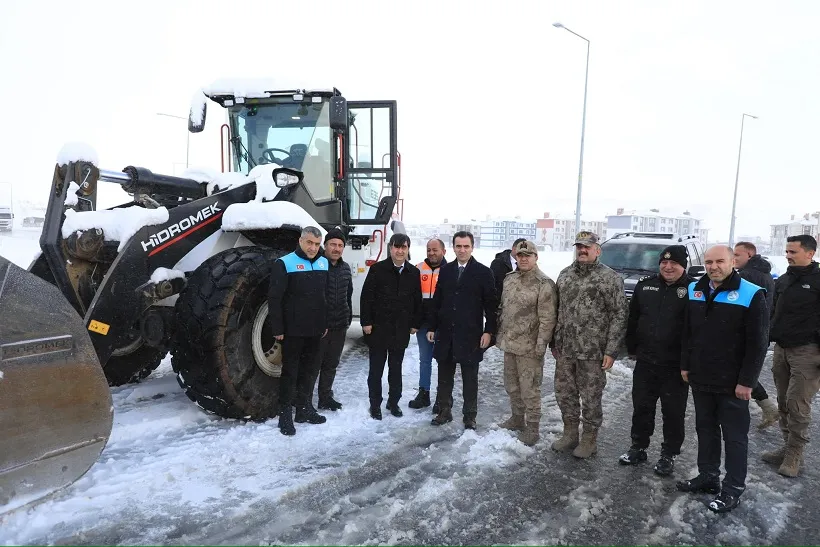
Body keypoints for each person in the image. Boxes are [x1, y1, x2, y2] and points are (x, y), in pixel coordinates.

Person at [677, 245, 768, 513]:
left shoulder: (751, 294)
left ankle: (733, 489)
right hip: (702, 376)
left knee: (734, 436)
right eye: (708, 261)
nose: (713, 266)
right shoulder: (696, 290)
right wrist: (685, 365)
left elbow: (758, 343)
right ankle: (708, 476)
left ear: (732, 262)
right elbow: (688, 333)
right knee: (705, 430)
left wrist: (747, 381)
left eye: (719, 261)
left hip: (733, 382)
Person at [550, 231, 628, 459]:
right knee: (565, 394)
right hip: (565, 350)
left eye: (588, 246)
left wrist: (611, 350)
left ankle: (589, 440)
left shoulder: (610, 278)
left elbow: (619, 315)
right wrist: (554, 342)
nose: (583, 250)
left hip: (593, 352)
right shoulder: (565, 275)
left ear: (597, 250)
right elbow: (558, 311)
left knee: (591, 397)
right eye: (579, 246)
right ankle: (570, 433)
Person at [619, 245, 693, 476]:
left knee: (673, 412)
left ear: (684, 266)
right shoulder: (645, 285)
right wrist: (632, 348)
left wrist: (690, 362)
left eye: (674, 264)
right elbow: (633, 319)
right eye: (664, 263)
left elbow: (698, 329)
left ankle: (668, 454)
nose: (668, 267)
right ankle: (638, 447)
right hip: (647, 361)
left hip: (676, 366)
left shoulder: (695, 289)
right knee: (642, 407)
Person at [762, 235, 820, 477]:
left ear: (810, 253)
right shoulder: (784, 279)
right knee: (784, 401)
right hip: (782, 348)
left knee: (798, 404)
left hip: (808, 351)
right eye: (786, 251)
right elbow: (774, 311)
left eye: (793, 252)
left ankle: (795, 453)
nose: (787, 255)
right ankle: (786, 445)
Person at [428, 231, 498, 430]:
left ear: (472, 247)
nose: (462, 250)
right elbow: (437, 301)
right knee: (444, 376)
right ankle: (444, 411)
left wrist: (489, 332)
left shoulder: (484, 273)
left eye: (466, 246)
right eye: (458, 246)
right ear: (453, 248)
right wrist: (432, 326)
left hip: (470, 334)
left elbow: (491, 306)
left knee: (470, 378)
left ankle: (469, 416)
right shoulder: (446, 270)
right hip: (446, 333)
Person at [268, 226, 329, 436]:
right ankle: (285, 415)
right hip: (292, 330)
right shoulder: (284, 263)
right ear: (301, 241)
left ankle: (304, 409)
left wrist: (325, 323)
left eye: (317, 244)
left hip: (316, 329)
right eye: (309, 243)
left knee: (309, 370)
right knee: (290, 372)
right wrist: (278, 328)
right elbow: (275, 299)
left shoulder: (323, 262)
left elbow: (324, 297)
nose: (313, 248)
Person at [496, 240, 557, 446]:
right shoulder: (509, 279)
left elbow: (547, 319)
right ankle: (516, 419)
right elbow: (504, 309)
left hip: (530, 348)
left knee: (530, 390)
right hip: (510, 343)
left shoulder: (544, 284)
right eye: (520, 255)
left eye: (527, 255)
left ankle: (532, 428)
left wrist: (541, 346)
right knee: (511, 386)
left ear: (535, 257)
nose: (523, 259)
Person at [360, 233, 422, 420]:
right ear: (390, 248)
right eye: (396, 247)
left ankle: (393, 402)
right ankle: (375, 404)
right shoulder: (378, 270)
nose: (400, 251)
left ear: (408, 249)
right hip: (378, 329)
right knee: (376, 370)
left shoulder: (413, 272)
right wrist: (366, 322)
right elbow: (366, 297)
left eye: (404, 247)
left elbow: (416, 301)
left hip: (400, 330)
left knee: (396, 370)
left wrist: (414, 324)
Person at [734, 241, 779, 428]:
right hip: (760, 331)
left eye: (738, 255)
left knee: (740, 372)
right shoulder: (765, 274)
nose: (734, 258)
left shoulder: (748, 276)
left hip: (748, 333)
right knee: (743, 371)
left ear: (750, 255)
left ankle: (768, 408)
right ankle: (768, 408)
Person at [310, 228, 353, 411]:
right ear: (325, 246)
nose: (336, 248)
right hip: (320, 327)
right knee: (313, 365)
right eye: (333, 244)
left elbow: (348, 294)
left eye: (340, 245)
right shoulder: (316, 265)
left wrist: (348, 316)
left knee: (331, 364)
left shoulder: (345, 268)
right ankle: (304, 402)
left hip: (340, 325)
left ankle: (325, 397)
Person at [408, 238, 447, 411]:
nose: (431, 253)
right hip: (423, 324)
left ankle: (442, 397)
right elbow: (413, 298)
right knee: (425, 360)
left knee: (444, 361)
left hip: (443, 324)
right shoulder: (417, 269)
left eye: (435, 250)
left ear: (443, 251)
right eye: (429, 250)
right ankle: (424, 393)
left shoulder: (450, 270)